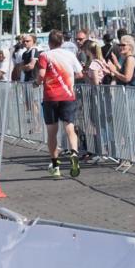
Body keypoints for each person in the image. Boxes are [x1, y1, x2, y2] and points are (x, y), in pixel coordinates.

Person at [34, 30, 84, 179]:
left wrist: (36, 83)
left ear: (49, 42)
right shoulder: (70, 55)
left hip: (51, 97)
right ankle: (74, 153)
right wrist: (69, 76)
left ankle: (55, 165)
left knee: (52, 132)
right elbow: (80, 73)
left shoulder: (45, 55)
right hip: (68, 95)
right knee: (69, 126)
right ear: (62, 42)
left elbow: (42, 75)